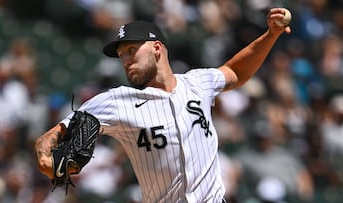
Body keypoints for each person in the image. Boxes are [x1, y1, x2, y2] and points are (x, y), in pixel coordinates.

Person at [35, 8, 291, 203]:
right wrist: (46, 160)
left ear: (157, 48)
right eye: (121, 54)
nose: (125, 59)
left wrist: (271, 35)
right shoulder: (114, 101)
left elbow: (235, 72)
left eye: (131, 49)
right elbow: (49, 138)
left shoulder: (197, 83)